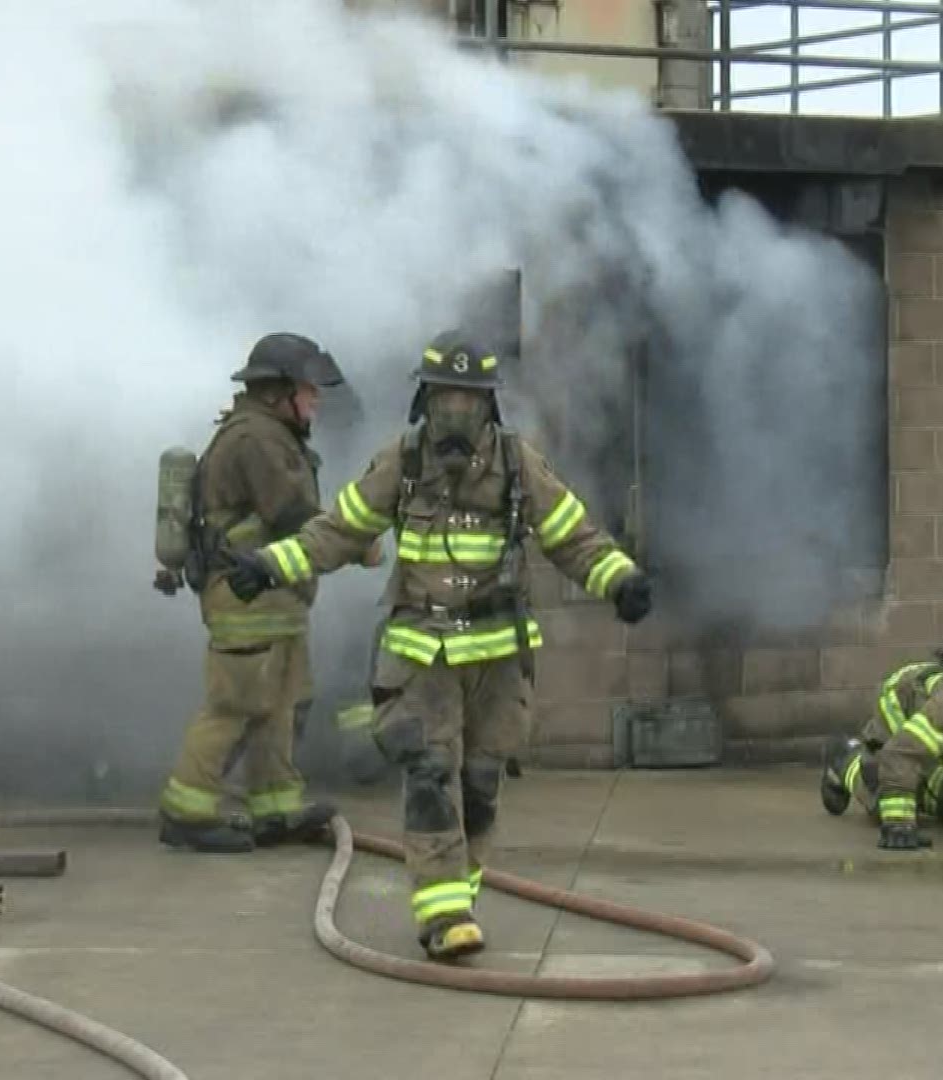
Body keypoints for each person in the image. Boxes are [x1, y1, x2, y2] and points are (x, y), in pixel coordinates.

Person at [224, 330, 652, 960]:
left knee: (479, 784)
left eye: (469, 402)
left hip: (498, 655)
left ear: (489, 407)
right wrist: (272, 564)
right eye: (445, 401)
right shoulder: (403, 462)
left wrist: (620, 579)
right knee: (429, 775)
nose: (456, 415)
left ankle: (459, 895)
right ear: (425, 402)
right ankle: (442, 911)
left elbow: (571, 534)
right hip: (422, 651)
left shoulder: (516, 464)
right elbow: (339, 530)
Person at [152, 332, 380, 854]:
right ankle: (185, 813)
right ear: (278, 392)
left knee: (281, 704)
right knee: (234, 705)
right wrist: (359, 543)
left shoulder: (270, 433)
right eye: (308, 390)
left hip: (276, 601)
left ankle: (275, 810)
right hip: (244, 597)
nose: (316, 400)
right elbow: (293, 516)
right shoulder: (257, 439)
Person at [819, 635, 943, 849]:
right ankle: (845, 759)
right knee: (887, 799)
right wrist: (899, 824)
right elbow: (903, 752)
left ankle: (930, 787)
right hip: (903, 710)